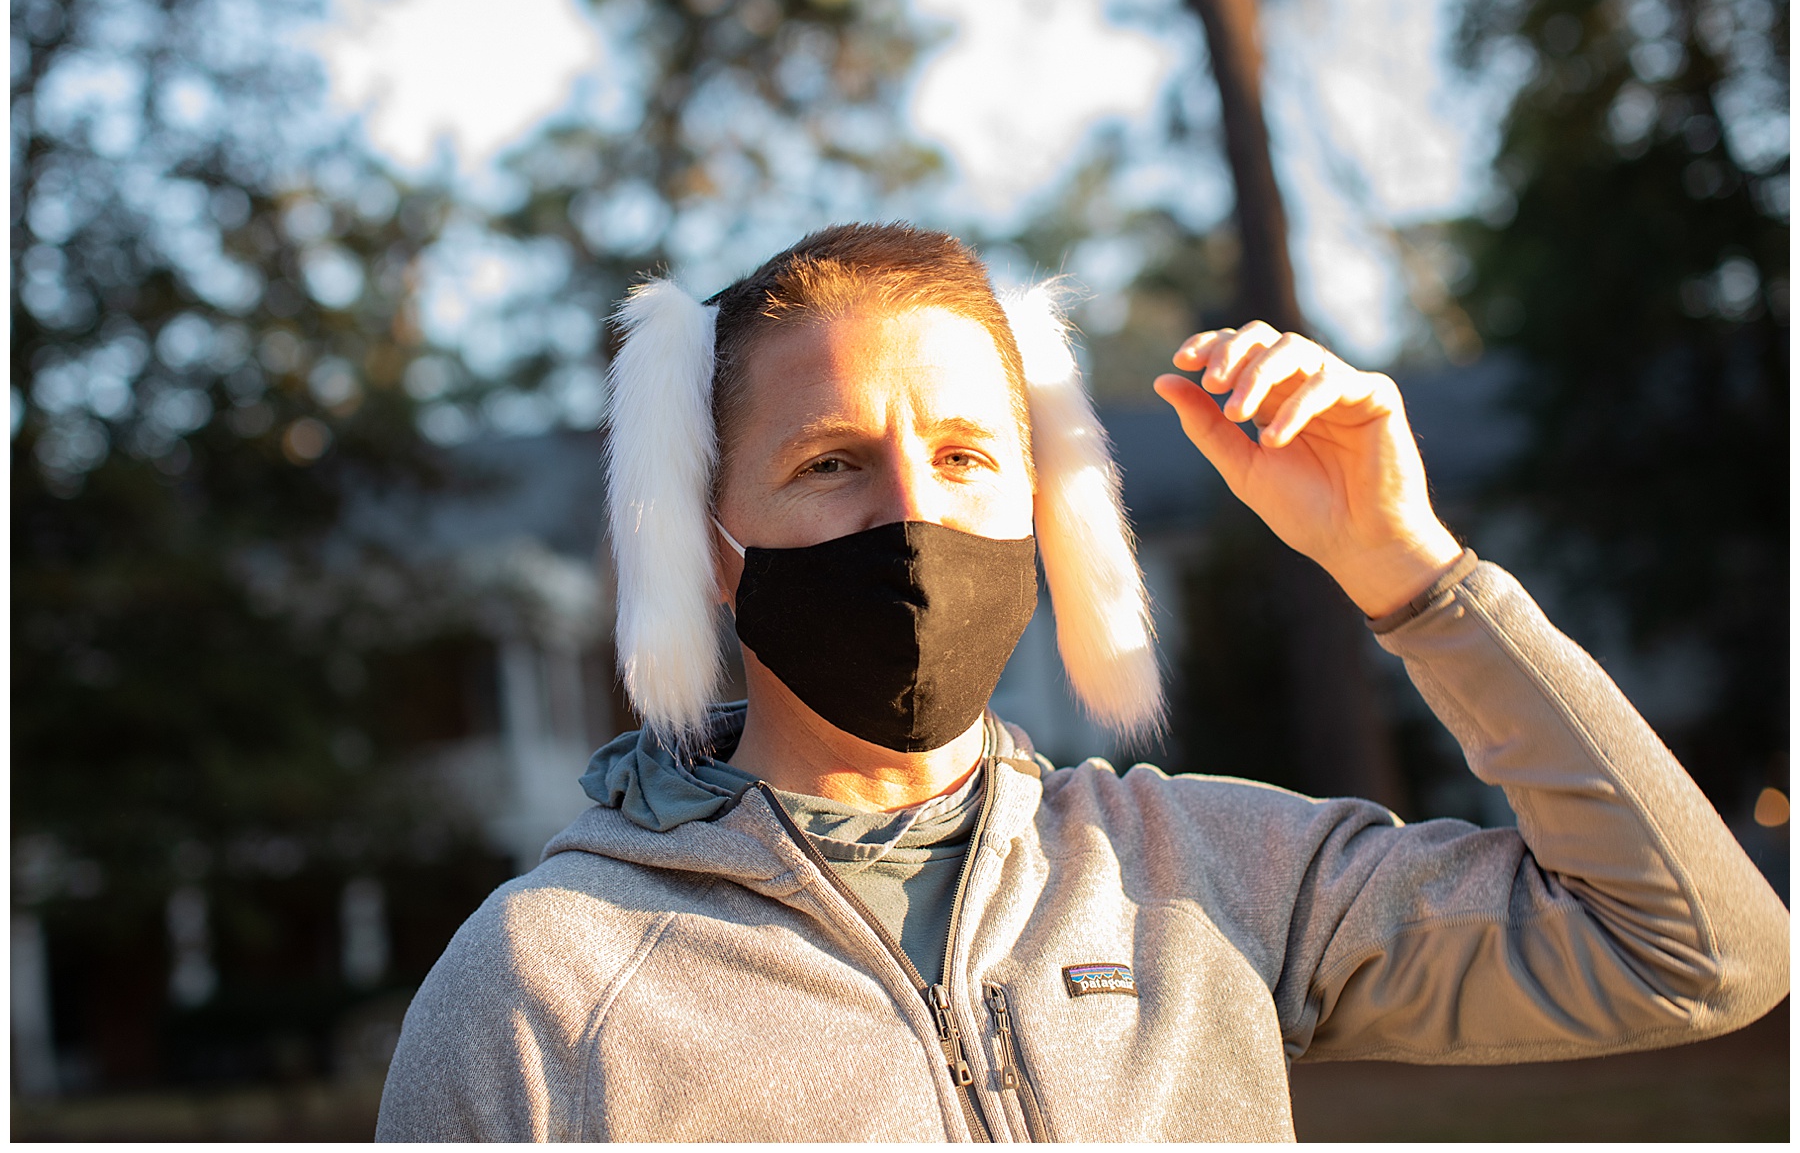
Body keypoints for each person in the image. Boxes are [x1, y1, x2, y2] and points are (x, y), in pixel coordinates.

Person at [375, 223, 1787, 1142]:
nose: (911, 514)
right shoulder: (542, 987)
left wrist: (1409, 570)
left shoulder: (1205, 875)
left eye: (966, 458)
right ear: (711, 546)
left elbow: (1698, 958)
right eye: (830, 462)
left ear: (1040, 512)